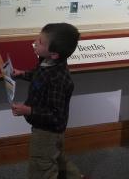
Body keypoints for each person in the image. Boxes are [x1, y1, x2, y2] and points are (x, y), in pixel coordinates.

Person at [11, 23, 84, 179]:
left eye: (41, 42)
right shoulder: (47, 62)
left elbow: (55, 115)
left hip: (48, 131)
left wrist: (28, 110)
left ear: (55, 54)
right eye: (38, 38)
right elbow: (38, 76)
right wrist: (22, 74)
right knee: (56, 156)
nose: (35, 42)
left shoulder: (58, 79)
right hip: (48, 130)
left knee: (41, 165)